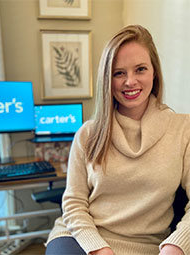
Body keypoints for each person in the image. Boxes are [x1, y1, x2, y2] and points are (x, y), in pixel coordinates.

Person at [45, 24, 190, 255]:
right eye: (118, 73)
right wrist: (99, 249)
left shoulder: (183, 129)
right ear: (107, 79)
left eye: (140, 69)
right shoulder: (88, 134)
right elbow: (73, 205)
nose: (130, 81)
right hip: (81, 237)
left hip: (150, 245)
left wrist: (177, 245)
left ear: (154, 72)